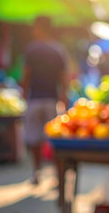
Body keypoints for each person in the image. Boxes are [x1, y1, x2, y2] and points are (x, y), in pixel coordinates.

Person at [21, 16, 68, 184]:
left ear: (39, 28)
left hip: (35, 99)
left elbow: (26, 74)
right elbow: (64, 78)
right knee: (53, 139)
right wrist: (64, 97)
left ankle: (37, 173)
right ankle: (56, 176)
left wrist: (24, 94)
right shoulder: (58, 50)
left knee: (34, 139)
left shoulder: (32, 49)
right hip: (51, 99)